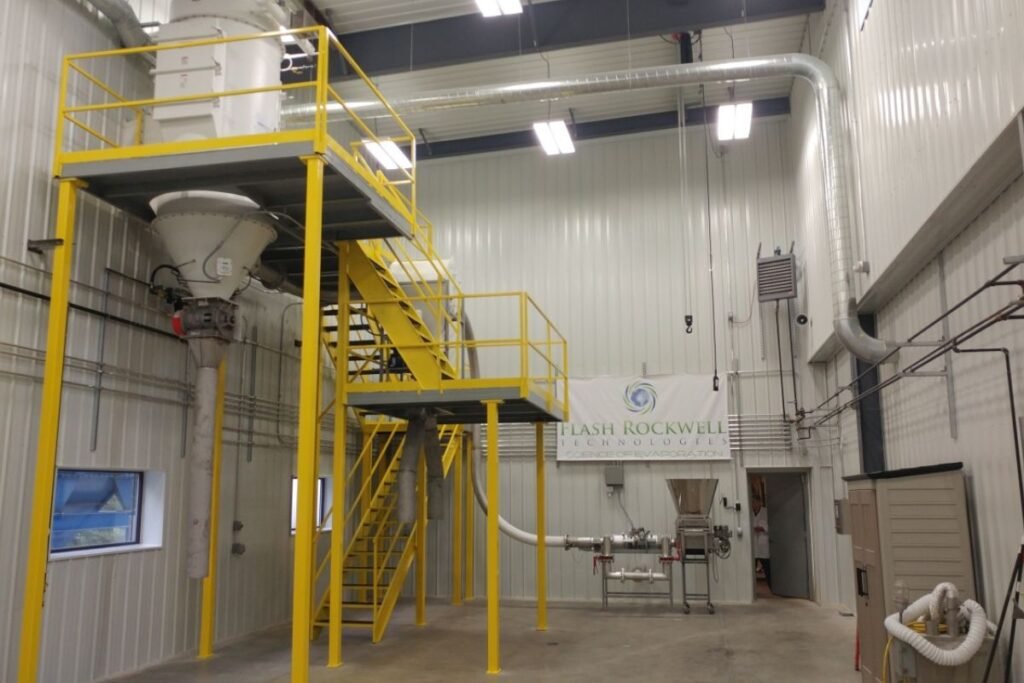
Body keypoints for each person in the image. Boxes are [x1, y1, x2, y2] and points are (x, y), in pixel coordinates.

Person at [752, 493, 771, 588]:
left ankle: (772, 588)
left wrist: (763, 528)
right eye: (752, 502)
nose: (754, 504)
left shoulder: (766, 512)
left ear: (760, 502)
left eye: (755, 502)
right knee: (751, 571)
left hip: (764, 546)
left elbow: (773, 526)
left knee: (768, 569)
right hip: (753, 546)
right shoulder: (749, 513)